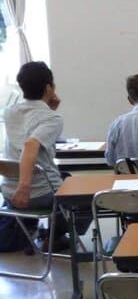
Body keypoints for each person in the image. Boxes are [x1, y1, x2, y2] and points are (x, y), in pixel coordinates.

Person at [1, 62, 81, 250]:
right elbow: (30, 145)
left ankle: (45, 232)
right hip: (37, 193)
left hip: (8, 190)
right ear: (48, 87)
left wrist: (48, 109)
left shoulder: (9, 112)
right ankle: (55, 237)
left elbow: (27, 129)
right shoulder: (52, 119)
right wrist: (24, 187)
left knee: (66, 178)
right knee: (88, 197)